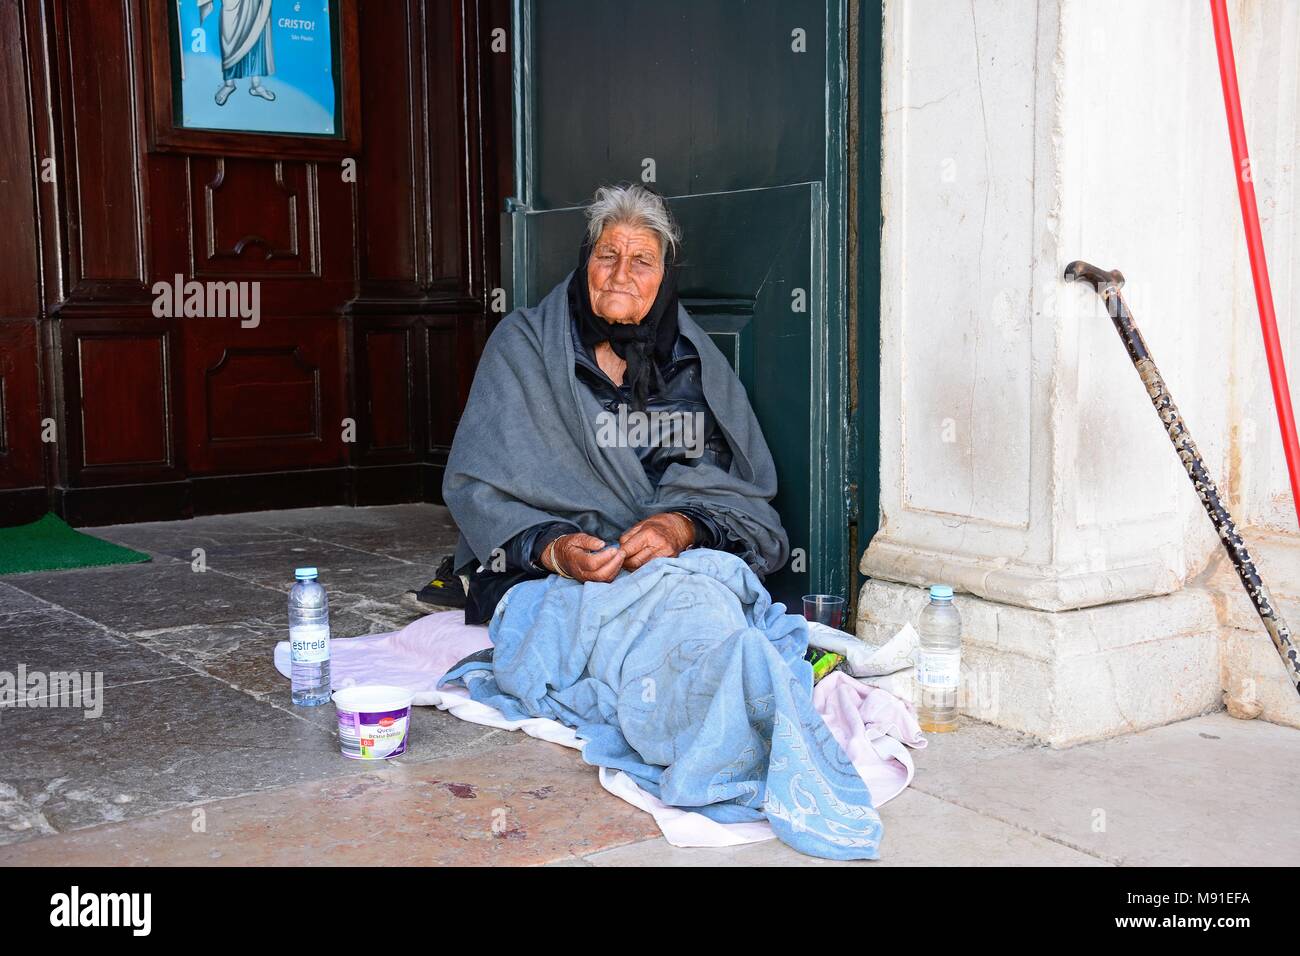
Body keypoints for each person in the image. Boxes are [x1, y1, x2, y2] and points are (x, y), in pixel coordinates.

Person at [443, 183, 789, 623]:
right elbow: (477, 489)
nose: (621, 273)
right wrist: (554, 550)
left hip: (667, 569)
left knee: (702, 606)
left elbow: (738, 496)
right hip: (550, 576)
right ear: (585, 263)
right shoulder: (522, 346)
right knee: (576, 622)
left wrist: (681, 526)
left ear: (666, 277)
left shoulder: (692, 363)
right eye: (607, 256)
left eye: (642, 261)